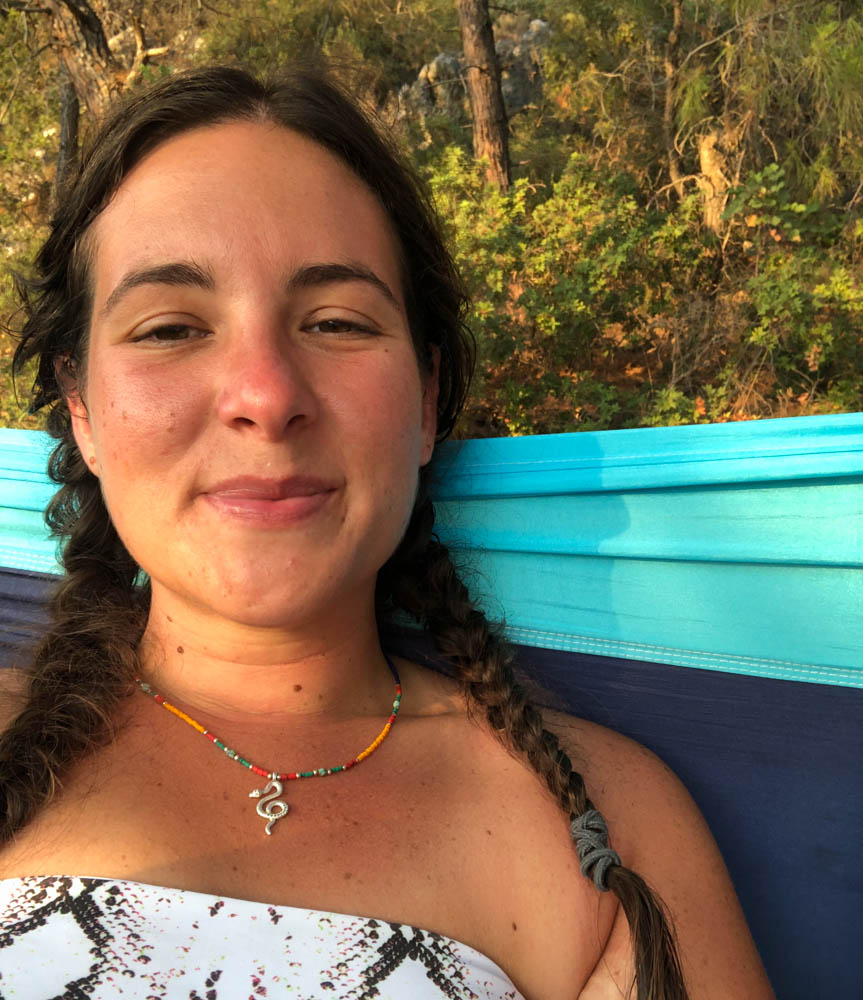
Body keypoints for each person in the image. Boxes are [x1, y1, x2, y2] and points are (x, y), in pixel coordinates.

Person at [0, 65, 773, 999]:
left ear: (426, 400)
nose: (265, 396)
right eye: (169, 328)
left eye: (333, 321)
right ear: (81, 406)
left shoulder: (599, 826)